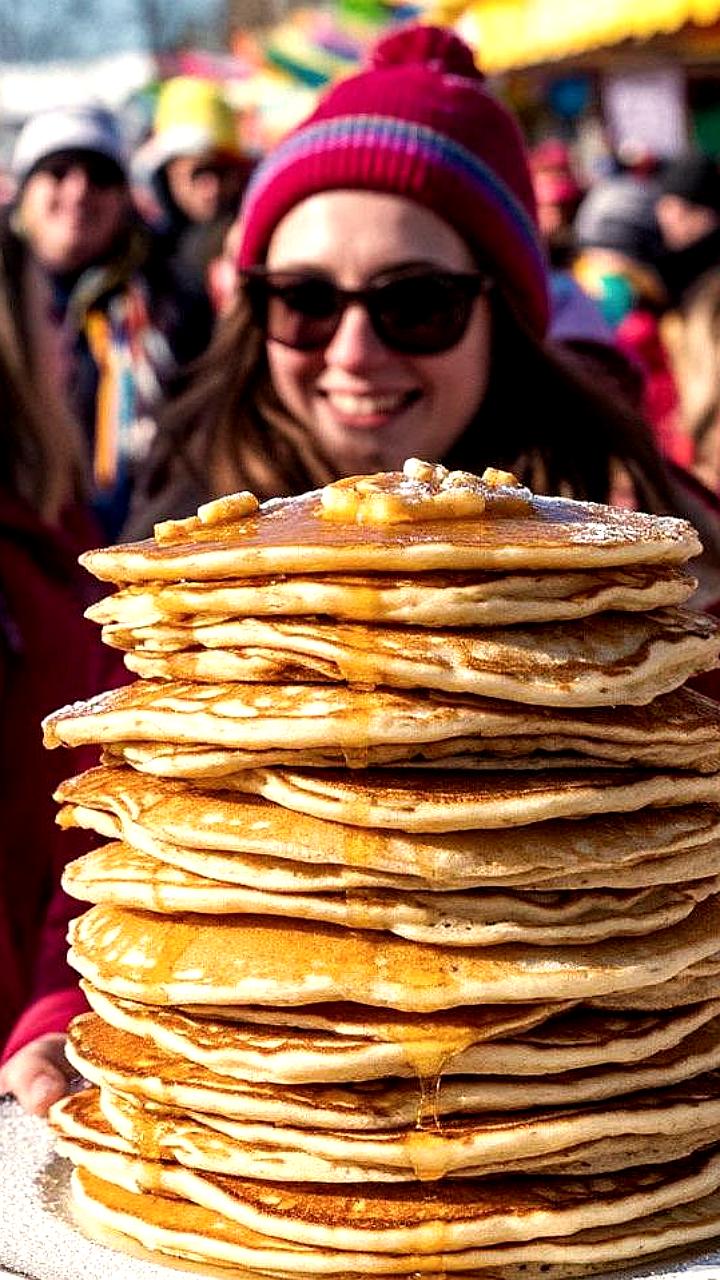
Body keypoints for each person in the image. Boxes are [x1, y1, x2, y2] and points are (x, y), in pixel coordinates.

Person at [125, 21, 720, 612]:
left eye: (416, 303)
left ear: (501, 317)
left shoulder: (661, 580)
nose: (353, 353)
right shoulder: (169, 572)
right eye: (305, 298)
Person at [0, 222, 125, 1115]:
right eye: (48, 313)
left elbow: (97, 797)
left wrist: (66, 993)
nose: (65, 341)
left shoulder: (55, 526)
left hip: (48, 1005)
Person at [8, 102, 213, 541]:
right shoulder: (4, 315)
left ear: (124, 197)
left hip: (147, 540)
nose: (79, 190)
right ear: (24, 191)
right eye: (58, 171)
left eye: (100, 176)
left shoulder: (174, 302)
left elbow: (202, 436)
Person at [131, 76, 254, 298]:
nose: (213, 189)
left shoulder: (257, 252)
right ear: (168, 175)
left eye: (224, 172)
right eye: (200, 173)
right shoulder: (137, 264)